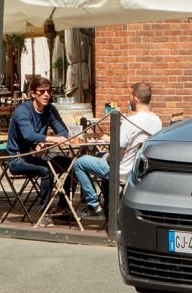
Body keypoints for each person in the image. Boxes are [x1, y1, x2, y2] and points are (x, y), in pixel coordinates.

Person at [69, 81, 167, 214]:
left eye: (130, 96)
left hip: (120, 170)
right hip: (136, 170)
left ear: (136, 98)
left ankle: (94, 206)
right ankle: (110, 206)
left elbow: (117, 152)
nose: (129, 99)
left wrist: (108, 145)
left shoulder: (130, 121)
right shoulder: (157, 121)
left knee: (79, 162)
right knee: (98, 157)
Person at [6, 74, 72, 214]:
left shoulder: (50, 110)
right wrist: (50, 139)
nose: (46, 95)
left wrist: (43, 143)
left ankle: (63, 207)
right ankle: (45, 213)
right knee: (46, 170)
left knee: (73, 164)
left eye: (49, 91)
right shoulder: (22, 111)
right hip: (18, 158)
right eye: (42, 91)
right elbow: (28, 135)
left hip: (38, 157)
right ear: (33, 94)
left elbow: (63, 131)